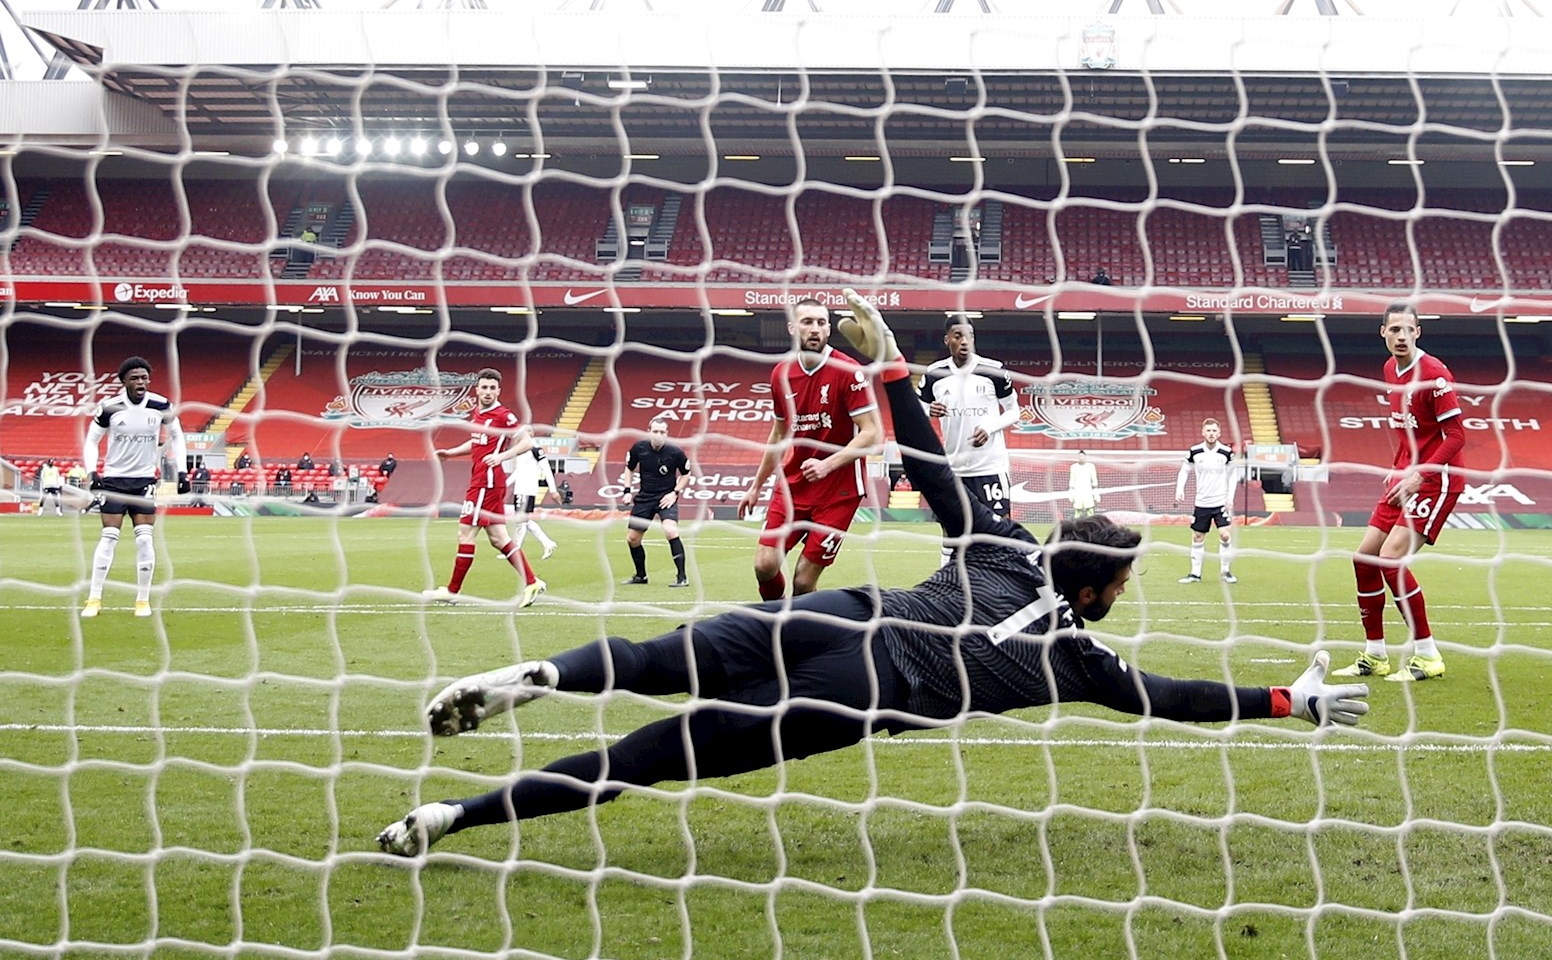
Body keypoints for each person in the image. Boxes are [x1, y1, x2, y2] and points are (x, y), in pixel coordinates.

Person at [376, 290, 1369, 857]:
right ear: (1099, 590)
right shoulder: (1078, 654)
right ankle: (449, 819)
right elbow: (1180, 698)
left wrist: (894, 371)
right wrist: (1289, 698)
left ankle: (543, 676)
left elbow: (933, 474)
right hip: (869, 689)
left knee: (647, 657)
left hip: (849, 612)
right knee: (650, 757)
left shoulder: (1000, 545)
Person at [1333, 303, 1465, 683]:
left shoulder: (1435, 375)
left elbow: (1456, 436)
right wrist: (1398, 468)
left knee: (1390, 560)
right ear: (1384, 333)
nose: (1401, 336)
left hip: (1437, 480)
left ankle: (1427, 655)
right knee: (1364, 559)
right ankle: (1375, 655)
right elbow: (1410, 433)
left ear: (1418, 333)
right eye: (1395, 330)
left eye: (1408, 329)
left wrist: (1418, 475)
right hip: (1404, 476)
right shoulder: (1390, 369)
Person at [743, 298, 884, 601]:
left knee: (804, 582)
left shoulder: (849, 371)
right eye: (807, 322)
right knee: (764, 565)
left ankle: (797, 634)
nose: (815, 329)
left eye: (821, 323)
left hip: (839, 491)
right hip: (794, 486)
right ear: (793, 328)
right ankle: (776, 621)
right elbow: (779, 434)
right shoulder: (781, 374)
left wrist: (828, 464)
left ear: (829, 330)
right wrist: (757, 485)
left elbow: (873, 434)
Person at [423, 368, 546, 607]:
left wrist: (502, 456)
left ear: (498, 391)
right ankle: (532, 582)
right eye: (484, 387)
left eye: (492, 388)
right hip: (485, 480)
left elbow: (527, 441)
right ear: (477, 390)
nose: (488, 392)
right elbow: (478, 443)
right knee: (499, 538)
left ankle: (452, 591)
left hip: (486, 482)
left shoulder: (504, 416)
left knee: (465, 533)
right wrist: (452, 453)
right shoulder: (478, 412)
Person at [79, 357, 186, 618]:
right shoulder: (109, 408)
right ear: (124, 381)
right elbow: (91, 441)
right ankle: (94, 598)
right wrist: (92, 472)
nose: (141, 382)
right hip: (114, 481)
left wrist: (182, 471)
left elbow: (177, 435)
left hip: (144, 481)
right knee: (108, 537)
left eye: (144, 378)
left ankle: (142, 600)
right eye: (135, 378)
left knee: (145, 538)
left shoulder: (160, 405)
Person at [919, 315, 1021, 559]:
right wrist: (928, 410)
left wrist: (990, 428)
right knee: (950, 530)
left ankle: (998, 582)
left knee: (999, 526)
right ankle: (946, 580)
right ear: (947, 340)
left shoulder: (993, 371)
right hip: (954, 468)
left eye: (969, 336)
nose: (965, 341)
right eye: (958, 336)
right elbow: (916, 409)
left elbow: (1014, 411)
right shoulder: (934, 374)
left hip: (989, 466)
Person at [621, 416, 692, 587]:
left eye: (662, 432)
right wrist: (627, 491)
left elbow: (686, 473)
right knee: (632, 539)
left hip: (666, 496)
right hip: (645, 497)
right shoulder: (639, 448)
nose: (658, 435)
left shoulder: (675, 452)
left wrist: (675, 493)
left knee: (670, 530)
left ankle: (682, 577)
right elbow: (629, 468)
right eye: (655, 431)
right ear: (649, 432)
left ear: (667, 434)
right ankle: (641, 576)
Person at [1175, 420, 1240, 584]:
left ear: (1219, 433)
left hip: (1220, 502)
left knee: (1225, 535)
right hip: (1202, 502)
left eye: (1214, 431)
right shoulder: (1194, 451)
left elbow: (1233, 475)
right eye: (1208, 430)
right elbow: (1184, 470)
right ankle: (1195, 574)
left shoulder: (1226, 452)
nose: (1211, 433)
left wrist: (1229, 497)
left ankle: (1226, 572)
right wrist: (1179, 489)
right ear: (1203, 432)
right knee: (1197, 536)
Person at [505, 446, 559, 560]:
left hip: (527, 489)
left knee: (520, 521)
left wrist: (553, 489)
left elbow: (547, 469)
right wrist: (504, 485)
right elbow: (518, 471)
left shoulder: (536, 450)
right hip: (519, 489)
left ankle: (515, 551)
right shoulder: (520, 449)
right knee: (524, 520)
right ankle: (547, 543)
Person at [1067, 450, 1100, 518]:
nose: (1081, 458)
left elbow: (1094, 479)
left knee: (1090, 510)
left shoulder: (1091, 466)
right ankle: (1076, 526)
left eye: (1082, 456)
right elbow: (1072, 479)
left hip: (1087, 491)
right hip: (1077, 491)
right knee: (1077, 510)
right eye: (1079, 456)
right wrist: (1071, 492)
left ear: (1085, 457)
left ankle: (1092, 524)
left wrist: (1096, 493)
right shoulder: (1074, 467)